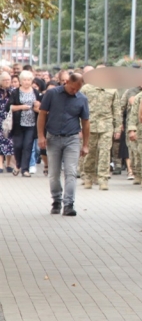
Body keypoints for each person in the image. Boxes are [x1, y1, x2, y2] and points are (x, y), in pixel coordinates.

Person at [37, 73, 90, 217]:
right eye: (73, 88)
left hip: (72, 138)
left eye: (78, 89)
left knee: (71, 171)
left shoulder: (82, 99)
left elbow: (85, 122)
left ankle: (69, 204)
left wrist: (85, 144)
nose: (75, 92)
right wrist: (41, 136)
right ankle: (56, 200)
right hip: (53, 137)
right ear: (66, 82)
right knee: (54, 173)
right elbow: (42, 114)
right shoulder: (52, 94)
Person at [80, 80, 122, 190]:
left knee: (105, 152)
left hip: (107, 125)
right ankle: (88, 176)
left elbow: (117, 109)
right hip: (89, 125)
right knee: (90, 152)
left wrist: (118, 128)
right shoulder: (86, 89)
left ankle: (103, 178)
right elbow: (79, 107)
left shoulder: (112, 90)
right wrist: (79, 126)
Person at [9, 71, 42, 177]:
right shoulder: (15, 92)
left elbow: (41, 108)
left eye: (29, 80)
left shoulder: (36, 92)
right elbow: (9, 107)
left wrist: (38, 105)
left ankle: (25, 170)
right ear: (20, 81)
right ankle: (18, 165)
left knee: (28, 146)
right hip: (18, 124)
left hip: (31, 124)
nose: (27, 82)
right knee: (18, 146)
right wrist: (21, 107)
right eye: (24, 80)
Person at [0, 72, 16, 173]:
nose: (7, 82)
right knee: (0, 142)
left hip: (11, 120)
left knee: (10, 142)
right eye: (4, 80)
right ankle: (0, 164)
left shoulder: (14, 91)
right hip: (0, 119)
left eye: (8, 80)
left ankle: (9, 164)